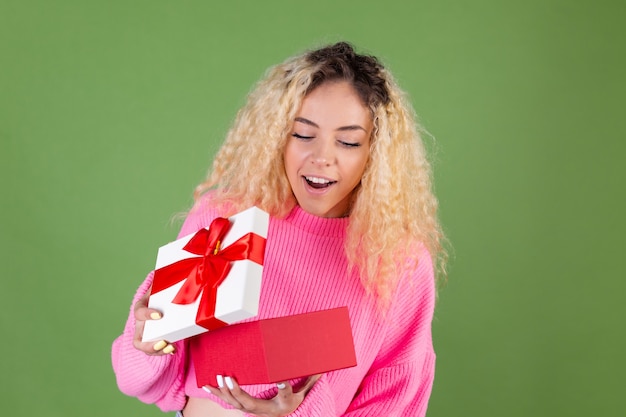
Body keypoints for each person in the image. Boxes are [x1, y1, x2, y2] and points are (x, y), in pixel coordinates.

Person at [112, 41, 446, 417]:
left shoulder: (398, 262)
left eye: (349, 141)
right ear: (276, 137)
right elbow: (141, 378)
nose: (322, 158)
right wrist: (149, 342)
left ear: (376, 152)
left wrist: (299, 413)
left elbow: (394, 403)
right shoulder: (226, 218)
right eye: (303, 134)